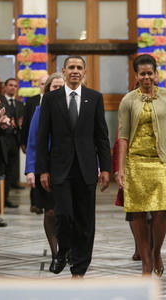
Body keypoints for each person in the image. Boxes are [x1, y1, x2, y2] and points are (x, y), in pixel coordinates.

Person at [36, 55, 111, 277]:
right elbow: (42, 137)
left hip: (86, 167)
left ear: (84, 72)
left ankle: (79, 266)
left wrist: (105, 167)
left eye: (79, 67)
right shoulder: (52, 99)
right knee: (64, 215)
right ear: (64, 71)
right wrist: (42, 169)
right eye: (71, 67)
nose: (75, 71)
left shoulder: (94, 97)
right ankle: (63, 250)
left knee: (85, 220)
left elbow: (101, 136)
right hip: (59, 168)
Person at [117, 54, 166, 276]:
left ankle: (157, 251)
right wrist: (120, 168)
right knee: (137, 211)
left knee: (161, 211)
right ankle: (146, 260)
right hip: (136, 161)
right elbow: (123, 136)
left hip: (161, 160)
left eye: (150, 73)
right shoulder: (128, 100)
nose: (146, 77)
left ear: (156, 74)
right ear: (136, 75)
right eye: (142, 74)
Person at [25, 72, 65, 272]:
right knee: (50, 212)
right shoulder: (40, 111)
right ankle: (55, 253)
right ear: (47, 89)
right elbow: (32, 142)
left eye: (61, 87)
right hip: (46, 168)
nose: (57, 90)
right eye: (54, 87)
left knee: (67, 213)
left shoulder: (72, 109)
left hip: (68, 167)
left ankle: (69, 248)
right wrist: (31, 170)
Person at [21, 74, 49, 214]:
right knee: (36, 176)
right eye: (43, 83)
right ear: (39, 85)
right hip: (36, 143)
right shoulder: (33, 102)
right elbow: (27, 124)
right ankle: (36, 203)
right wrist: (23, 141)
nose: (45, 86)